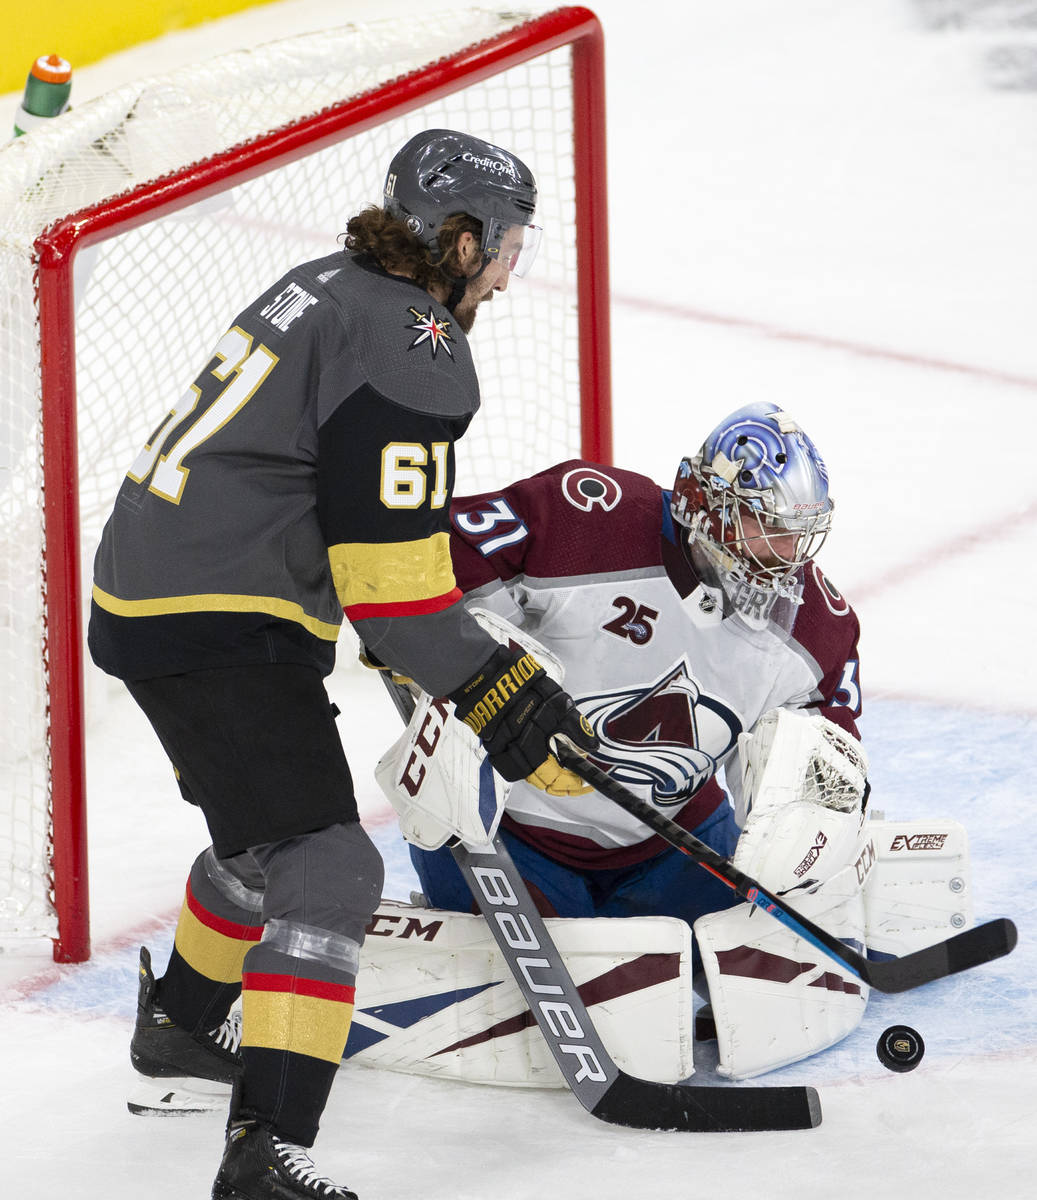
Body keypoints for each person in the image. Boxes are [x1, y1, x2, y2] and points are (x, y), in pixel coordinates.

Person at [88, 128, 596, 1200]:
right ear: (458, 241)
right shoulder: (413, 338)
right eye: (503, 246)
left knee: (267, 827)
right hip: (215, 612)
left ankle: (181, 1026)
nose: (508, 271)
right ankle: (264, 1154)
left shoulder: (329, 281)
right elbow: (394, 599)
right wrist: (506, 698)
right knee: (329, 863)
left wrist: (454, 660)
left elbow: (354, 529)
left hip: (154, 589)